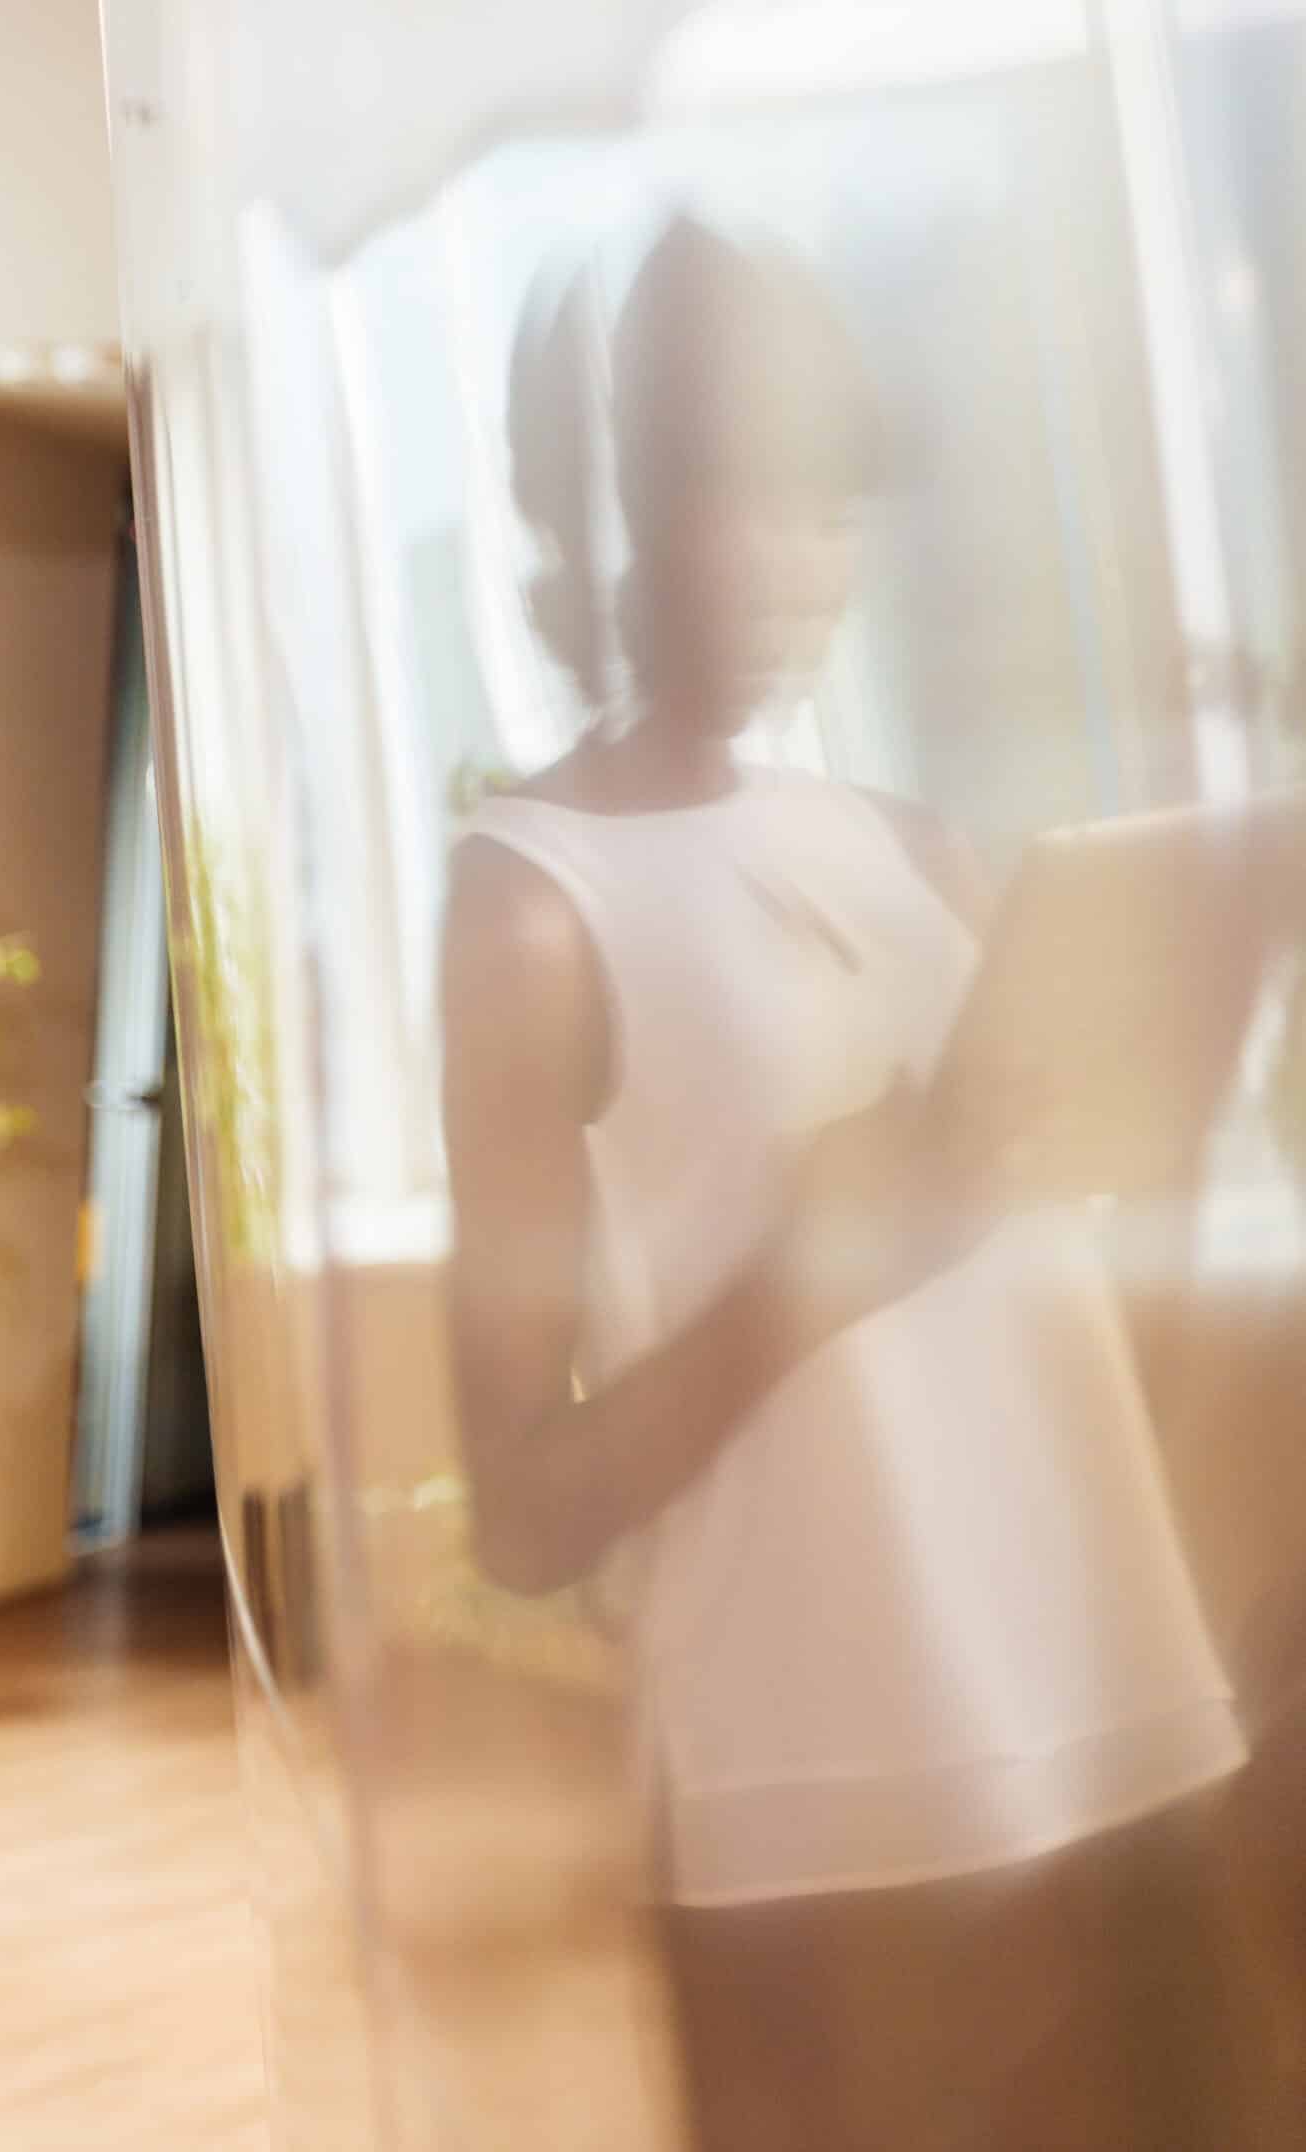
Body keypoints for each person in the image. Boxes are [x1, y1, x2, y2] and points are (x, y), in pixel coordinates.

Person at [439, 216, 1284, 2147]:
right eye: (720, 501)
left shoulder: (925, 849)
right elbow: (522, 1511)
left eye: (822, 511)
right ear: (599, 528)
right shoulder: (532, 900)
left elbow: (1059, 1282)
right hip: (816, 1768)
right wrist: (818, 1259)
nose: (781, 567)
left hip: (1112, 1699)